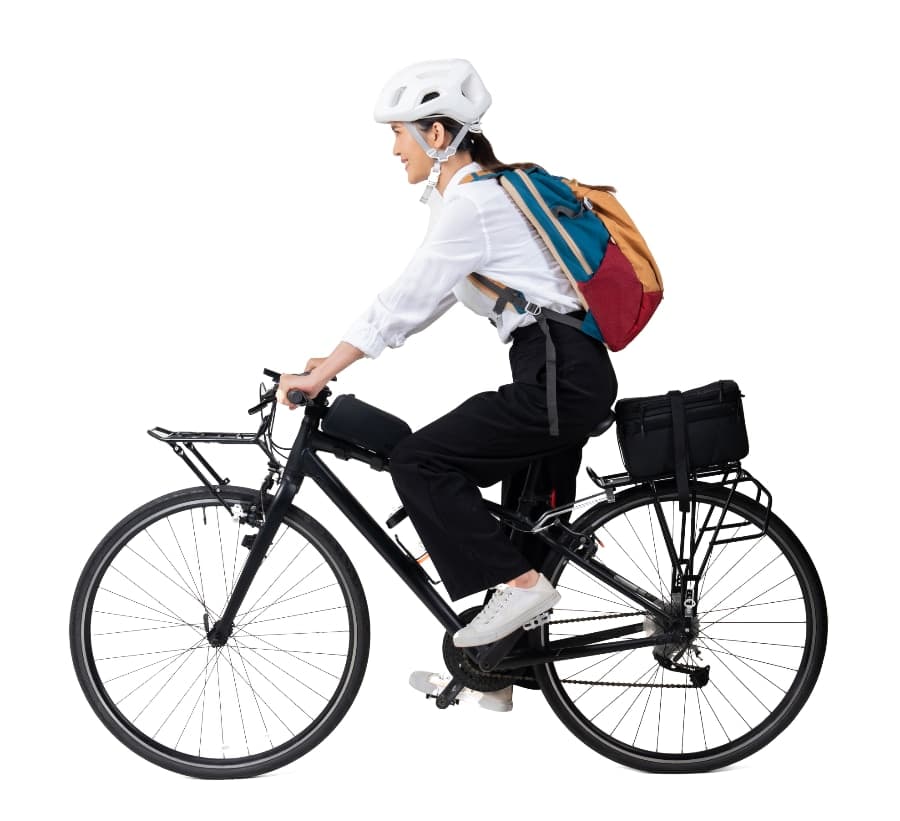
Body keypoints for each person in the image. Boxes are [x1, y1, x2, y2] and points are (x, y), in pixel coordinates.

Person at [276, 58, 618, 711]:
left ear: (437, 133)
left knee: (419, 459)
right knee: (523, 518)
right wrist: (335, 359)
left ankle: (518, 585)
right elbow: (423, 304)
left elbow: (404, 297)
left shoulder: (474, 203)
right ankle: (497, 668)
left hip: (559, 376)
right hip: (559, 372)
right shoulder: (476, 197)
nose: (393, 148)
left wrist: (323, 372)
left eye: (399, 133)